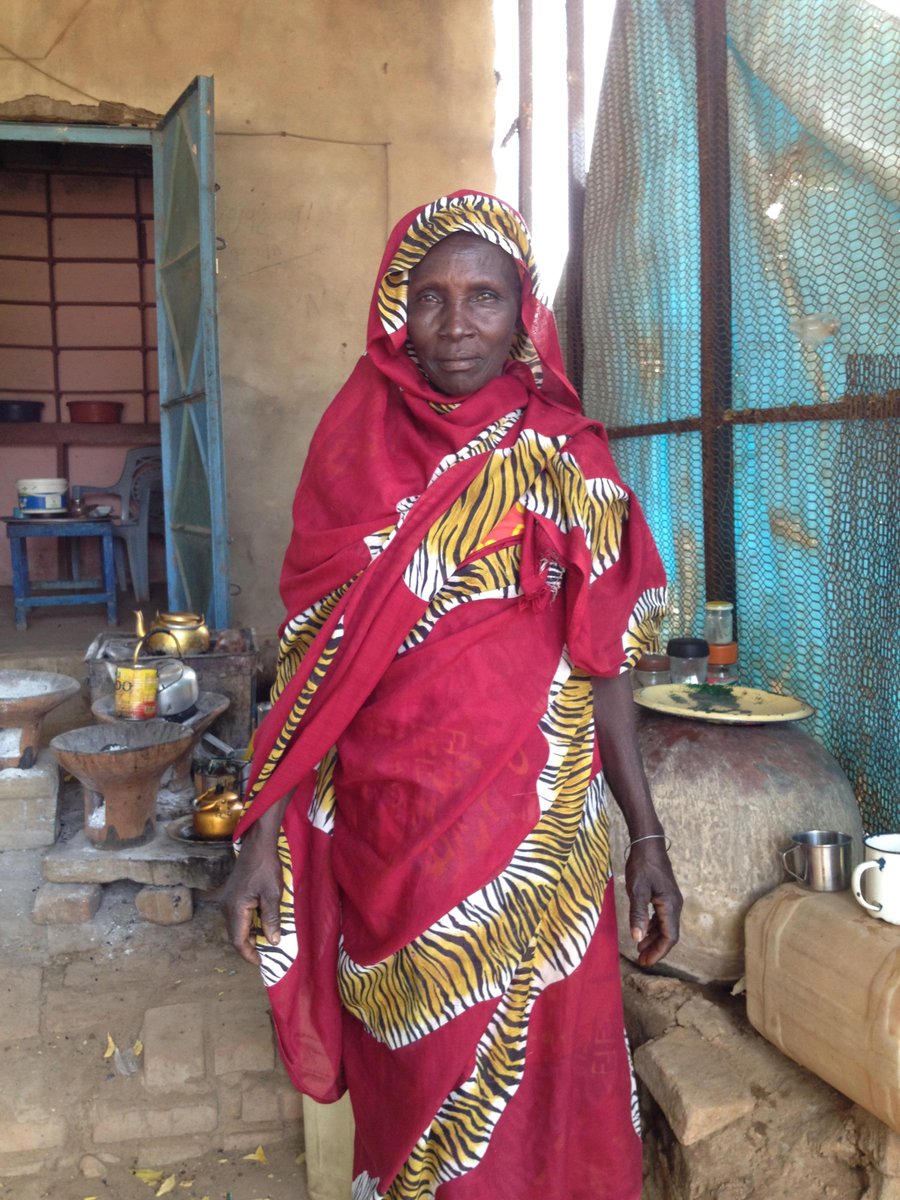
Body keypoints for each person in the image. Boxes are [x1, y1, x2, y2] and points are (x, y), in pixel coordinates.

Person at [222, 190, 682, 1200]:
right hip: (397, 844)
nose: (458, 323)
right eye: (429, 298)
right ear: (395, 310)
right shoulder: (350, 455)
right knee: (426, 1089)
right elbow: (308, 678)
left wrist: (646, 840)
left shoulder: (570, 462)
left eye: (485, 295)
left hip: (543, 848)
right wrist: (262, 839)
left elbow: (605, 667)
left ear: (526, 310)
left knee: (552, 1094)